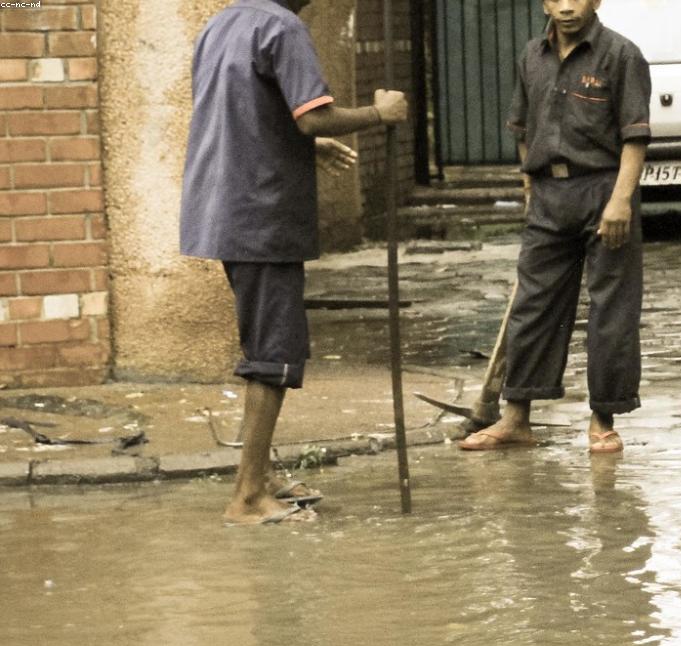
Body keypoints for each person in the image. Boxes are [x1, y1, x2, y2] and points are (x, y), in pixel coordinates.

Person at [180, 0, 408, 524]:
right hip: (262, 215)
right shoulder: (283, 28)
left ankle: (260, 476)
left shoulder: (222, 23)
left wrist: (308, 142)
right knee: (274, 354)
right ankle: (248, 496)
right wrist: (380, 113)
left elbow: (244, 113)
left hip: (225, 207)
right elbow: (312, 116)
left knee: (266, 344)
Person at [459, 0, 650, 454]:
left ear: (596, 1)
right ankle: (516, 419)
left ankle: (602, 419)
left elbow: (635, 136)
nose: (566, 7)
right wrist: (530, 184)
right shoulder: (532, 56)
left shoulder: (621, 54)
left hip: (604, 191)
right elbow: (523, 128)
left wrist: (620, 200)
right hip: (548, 196)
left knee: (611, 309)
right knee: (533, 305)